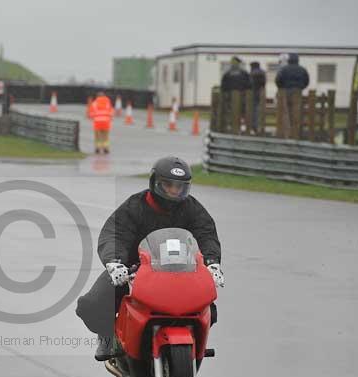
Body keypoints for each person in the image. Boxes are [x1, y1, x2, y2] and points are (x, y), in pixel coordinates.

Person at [75, 156, 224, 361]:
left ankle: (196, 341)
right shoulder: (135, 206)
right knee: (93, 304)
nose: (174, 191)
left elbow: (206, 234)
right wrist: (115, 263)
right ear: (155, 183)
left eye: (180, 187)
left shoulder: (192, 208)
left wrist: (212, 263)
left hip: (182, 271)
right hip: (133, 271)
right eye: (168, 185)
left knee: (209, 307)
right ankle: (107, 336)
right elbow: (115, 234)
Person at [274, 53, 309, 136]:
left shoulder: (284, 69)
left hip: (286, 92)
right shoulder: (302, 69)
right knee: (298, 112)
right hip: (298, 92)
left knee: (286, 112)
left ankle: (287, 132)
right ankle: (297, 132)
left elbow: (278, 80)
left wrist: (282, 88)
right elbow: (306, 81)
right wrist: (300, 88)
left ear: (289, 60)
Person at [220, 56, 251, 132]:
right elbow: (249, 85)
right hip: (242, 96)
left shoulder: (227, 73)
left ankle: (230, 126)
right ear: (239, 63)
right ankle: (241, 126)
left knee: (230, 111)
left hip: (230, 96)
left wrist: (225, 93)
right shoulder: (244, 73)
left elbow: (223, 86)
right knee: (242, 111)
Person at [249, 61, 267, 133]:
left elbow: (249, 83)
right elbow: (264, 83)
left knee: (252, 110)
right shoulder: (262, 72)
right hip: (260, 93)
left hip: (252, 93)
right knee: (258, 110)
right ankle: (258, 126)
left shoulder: (251, 73)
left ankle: (253, 125)